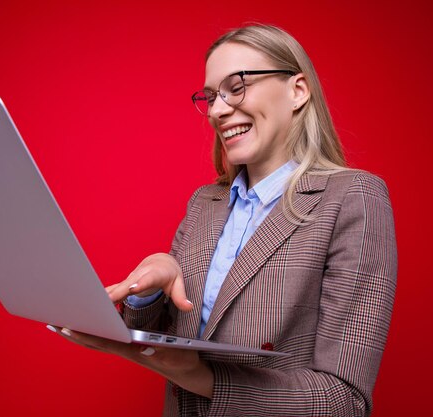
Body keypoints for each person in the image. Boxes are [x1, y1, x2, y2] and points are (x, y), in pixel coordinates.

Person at [49, 24, 397, 416]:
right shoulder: (205, 203)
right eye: (211, 96)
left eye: (237, 86)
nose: (216, 110)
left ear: (297, 90)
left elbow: (343, 401)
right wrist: (151, 286)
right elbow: (168, 341)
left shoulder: (352, 198)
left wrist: (201, 377)